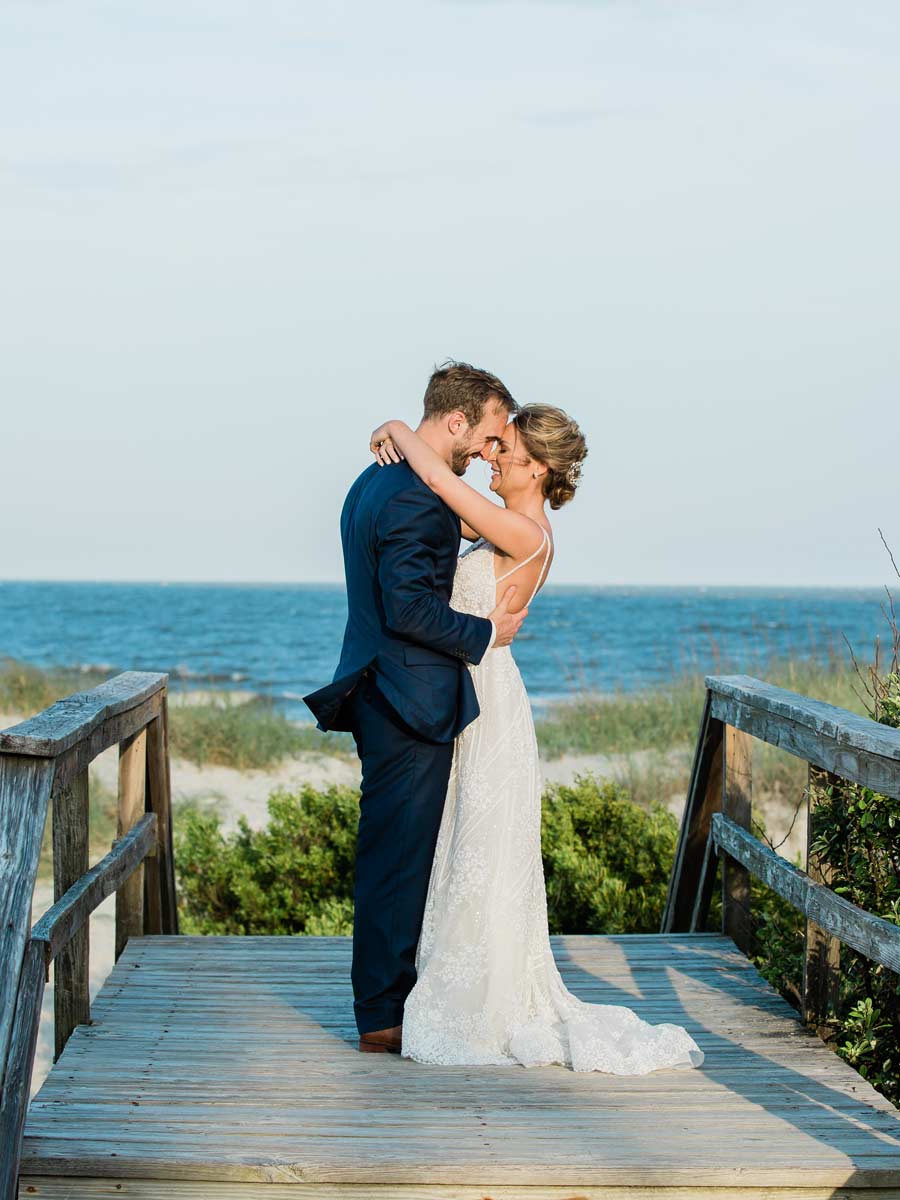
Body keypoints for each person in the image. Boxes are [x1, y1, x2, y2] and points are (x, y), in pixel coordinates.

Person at [367, 404, 705, 1073]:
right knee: (462, 846)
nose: (491, 456)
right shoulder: (496, 524)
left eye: (506, 450)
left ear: (538, 468)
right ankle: (443, 982)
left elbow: (438, 482)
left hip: (489, 700)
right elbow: (435, 504)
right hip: (471, 689)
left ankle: (478, 1000)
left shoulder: (528, 534)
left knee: (482, 849)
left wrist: (402, 430)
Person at [303, 361, 527, 1053]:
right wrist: (483, 634)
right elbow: (408, 608)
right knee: (398, 863)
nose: (491, 452)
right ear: (456, 422)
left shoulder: (377, 480)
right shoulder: (415, 496)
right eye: (489, 436)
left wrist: (397, 429)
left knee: (395, 857)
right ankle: (382, 1020)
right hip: (406, 699)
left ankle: (389, 1004)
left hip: (387, 691)